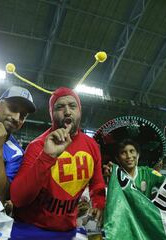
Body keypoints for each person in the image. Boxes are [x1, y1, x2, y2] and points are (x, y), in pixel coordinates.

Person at [9, 87, 106, 239]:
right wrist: (47, 157)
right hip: (30, 230)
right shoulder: (37, 146)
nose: (67, 111)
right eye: (59, 107)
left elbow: (97, 184)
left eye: (72, 106)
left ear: (80, 111)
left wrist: (98, 204)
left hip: (67, 232)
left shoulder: (91, 145)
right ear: (51, 115)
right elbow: (18, 198)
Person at [94, 115, 166, 199]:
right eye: (123, 153)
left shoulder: (149, 173)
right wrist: (106, 179)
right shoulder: (112, 175)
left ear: (138, 155)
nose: (129, 156)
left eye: (132, 151)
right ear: (118, 159)